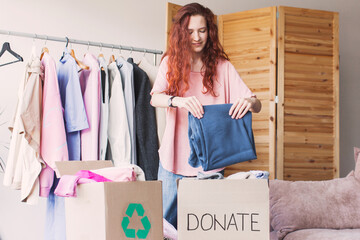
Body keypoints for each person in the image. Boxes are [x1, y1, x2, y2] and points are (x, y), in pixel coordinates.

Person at [150, 2, 261, 228]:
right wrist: (178, 100)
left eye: (202, 30)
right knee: (162, 226)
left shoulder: (223, 68)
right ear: (182, 33)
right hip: (173, 160)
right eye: (190, 31)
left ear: (210, 32)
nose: (196, 37)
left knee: (205, 227)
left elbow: (257, 105)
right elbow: (154, 98)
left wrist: (248, 102)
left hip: (211, 162)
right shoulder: (170, 63)